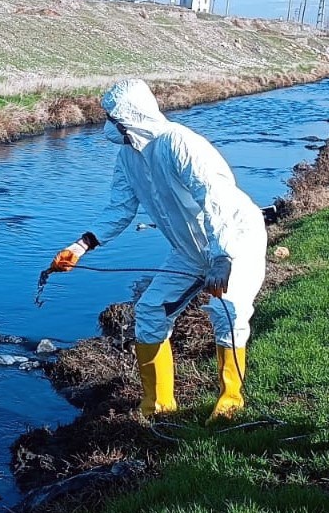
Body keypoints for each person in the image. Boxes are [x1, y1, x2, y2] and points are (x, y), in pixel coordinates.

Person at [49, 78, 266, 421]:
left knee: (229, 310)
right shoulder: (128, 157)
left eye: (114, 117)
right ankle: (158, 406)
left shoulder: (178, 144)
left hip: (235, 239)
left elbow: (215, 200)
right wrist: (80, 246)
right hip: (187, 250)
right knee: (150, 311)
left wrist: (223, 256)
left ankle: (230, 402)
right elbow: (120, 208)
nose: (110, 125)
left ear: (132, 115)